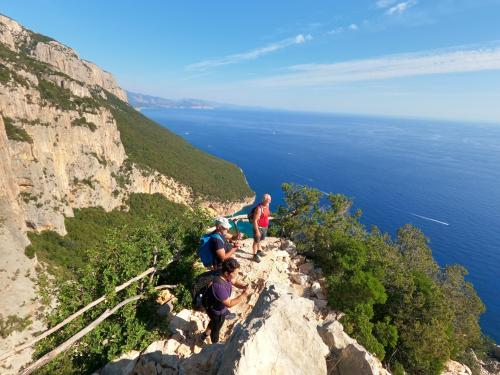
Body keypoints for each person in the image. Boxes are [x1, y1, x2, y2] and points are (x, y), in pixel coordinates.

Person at [200, 258, 250, 343]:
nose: (237, 275)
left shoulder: (222, 273)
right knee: (216, 328)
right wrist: (243, 295)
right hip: (216, 311)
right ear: (227, 273)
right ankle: (214, 346)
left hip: (213, 305)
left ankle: (205, 334)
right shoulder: (218, 287)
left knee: (213, 321)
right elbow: (229, 303)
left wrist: (243, 286)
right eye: (235, 273)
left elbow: (233, 281)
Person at [252, 193, 271, 263]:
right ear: (264, 200)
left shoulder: (267, 205)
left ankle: (259, 250)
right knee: (256, 241)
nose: (270, 201)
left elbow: (266, 216)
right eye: (268, 199)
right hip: (259, 227)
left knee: (261, 239)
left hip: (265, 227)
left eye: (270, 199)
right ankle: (254, 255)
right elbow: (255, 220)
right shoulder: (259, 209)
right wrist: (257, 231)